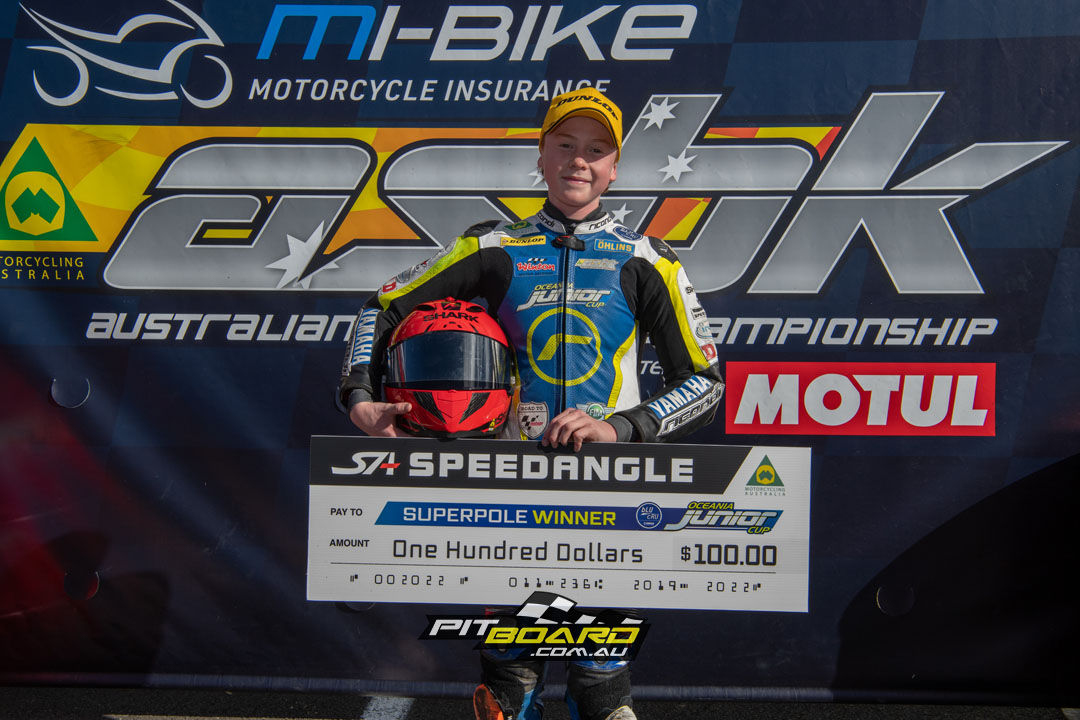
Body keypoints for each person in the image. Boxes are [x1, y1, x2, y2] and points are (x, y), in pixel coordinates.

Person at [337, 87, 724, 720]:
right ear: (540, 155)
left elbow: (705, 383)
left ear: (615, 166)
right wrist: (360, 397)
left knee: (600, 684)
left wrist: (619, 429)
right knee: (509, 686)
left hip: (611, 489)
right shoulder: (493, 246)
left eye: (595, 150)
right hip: (508, 485)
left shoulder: (648, 259)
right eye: (565, 145)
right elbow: (380, 307)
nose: (579, 161)